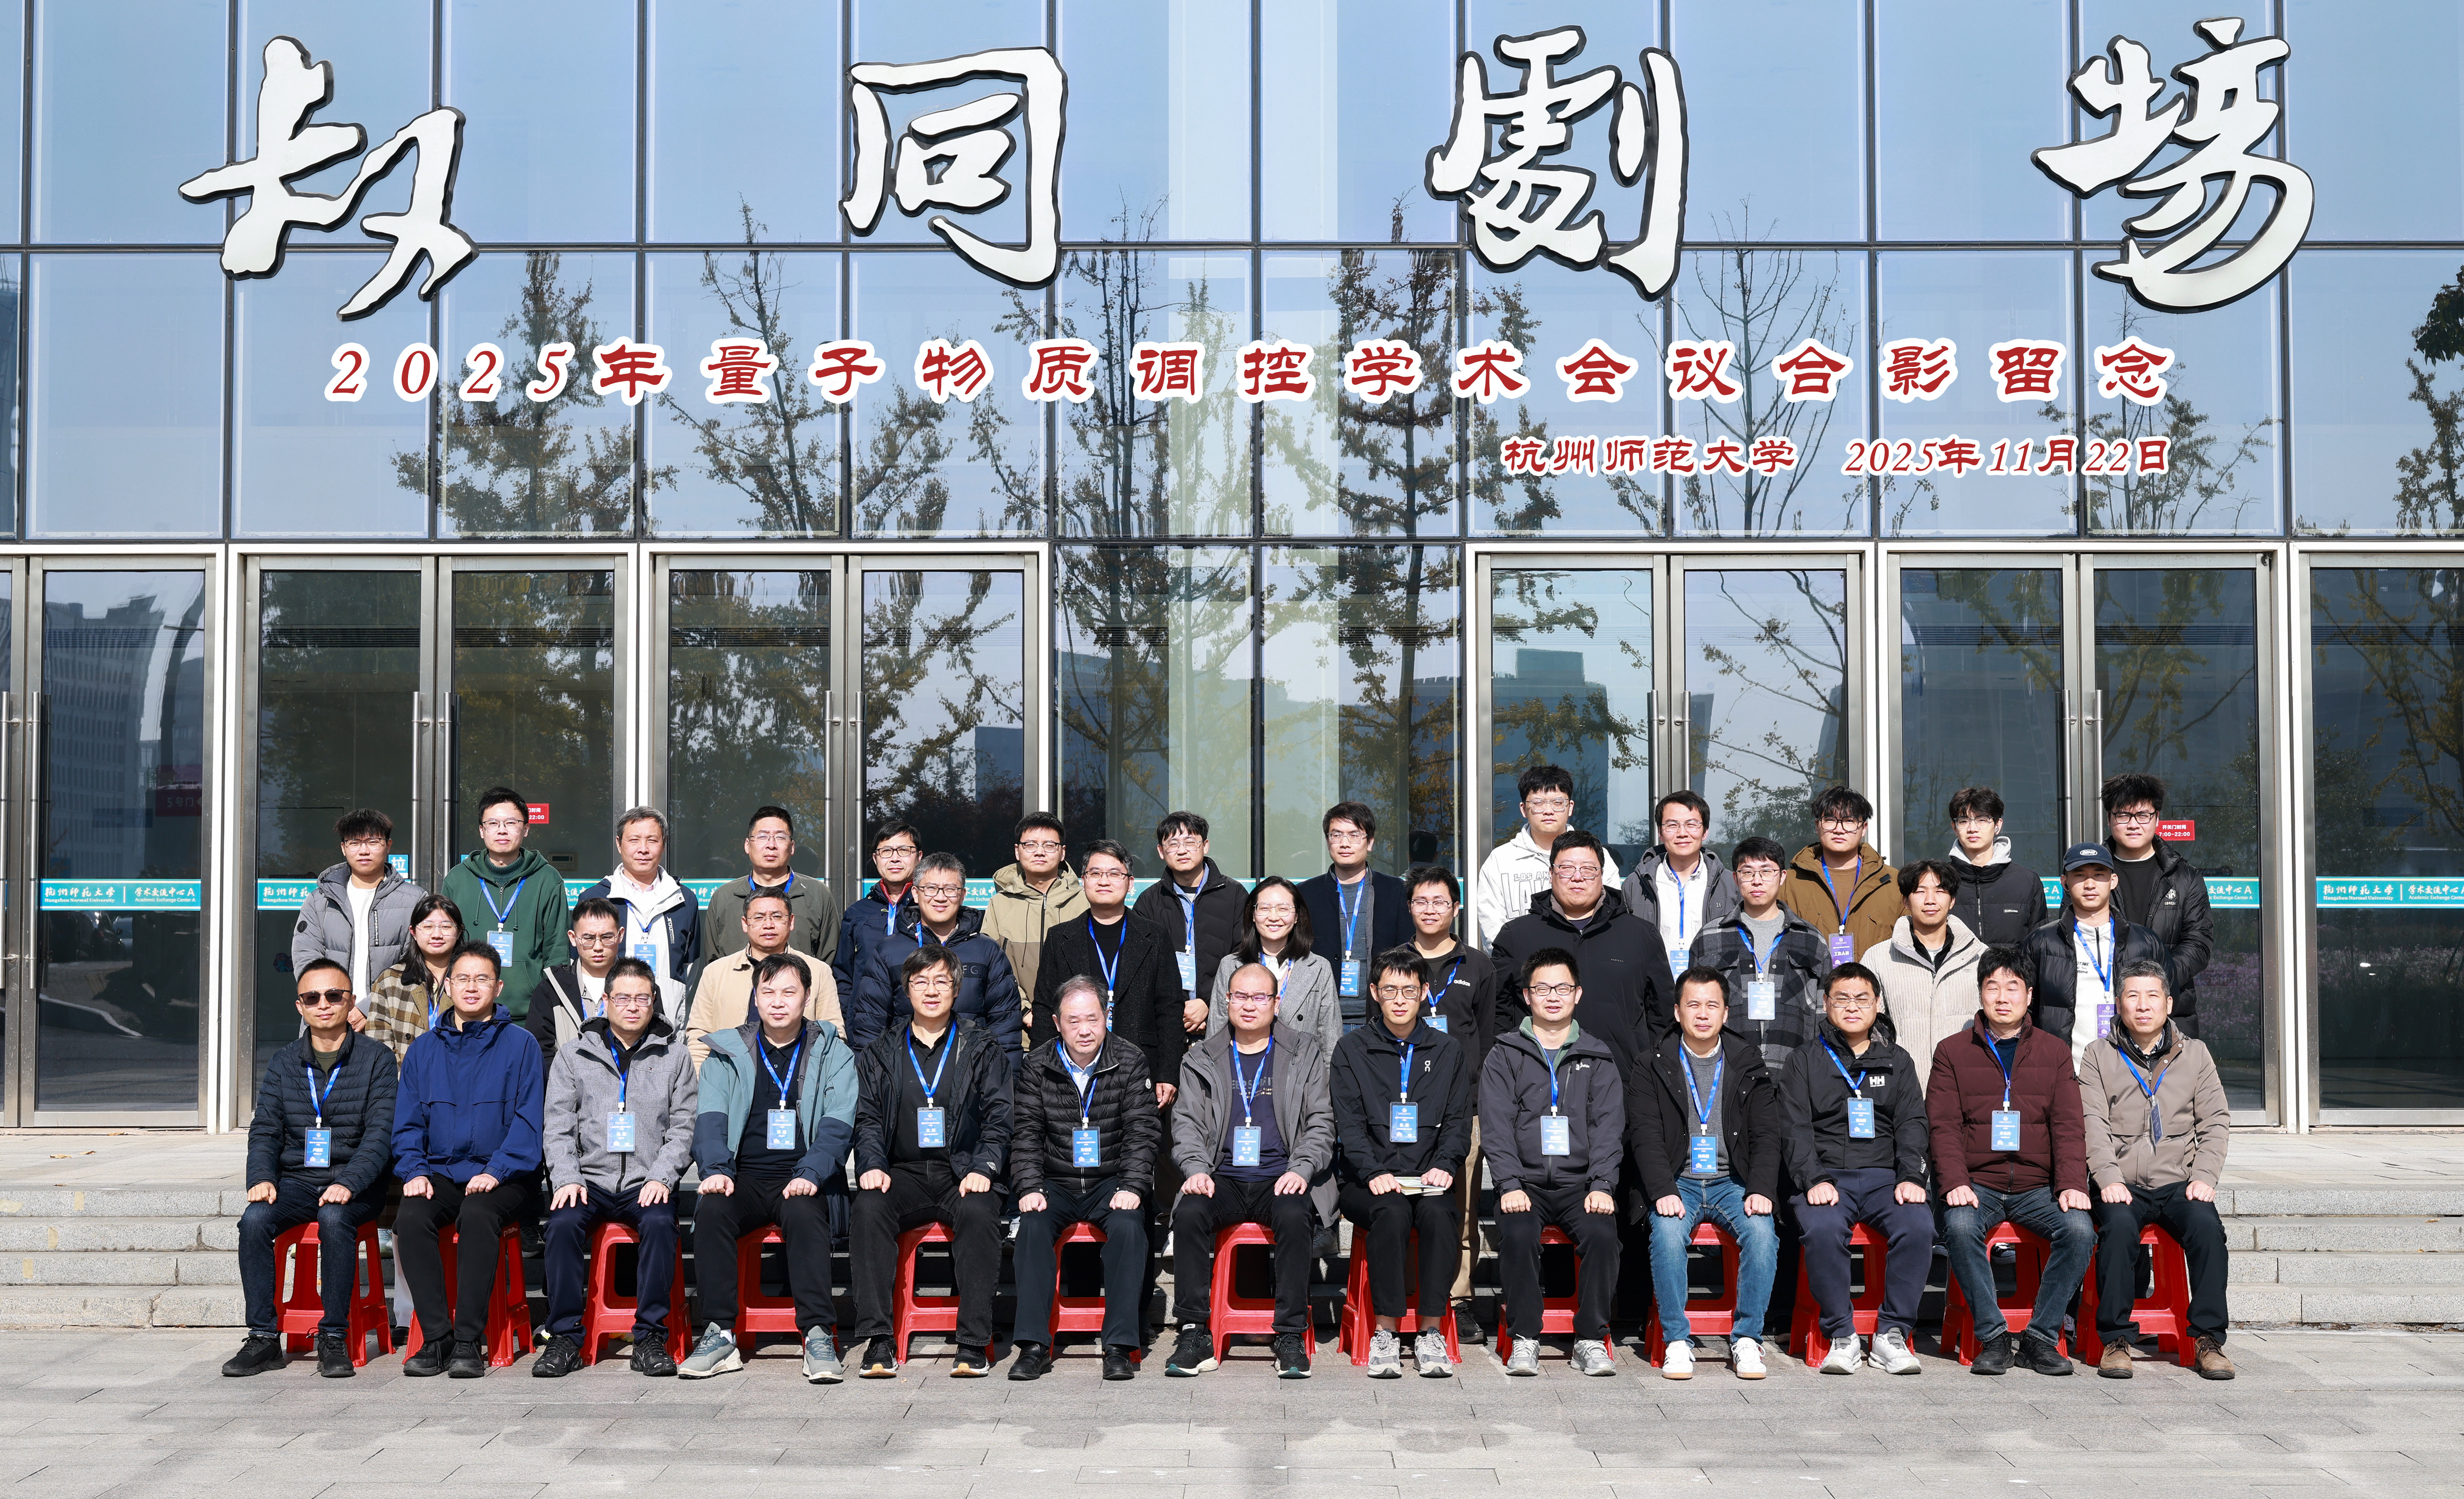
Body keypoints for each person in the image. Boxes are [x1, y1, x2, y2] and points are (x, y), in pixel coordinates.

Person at [683, 953, 859, 1383]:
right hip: (742, 1177)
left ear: (807, 997)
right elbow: (710, 1119)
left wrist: (811, 1172)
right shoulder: (727, 1052)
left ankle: (818, 1333)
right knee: (712, 1210)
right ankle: (719, 1333)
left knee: (804, 1213)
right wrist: (716, 1169)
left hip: (804, 1178)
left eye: (789, 992)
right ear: (756, 998)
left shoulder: (832, 1051)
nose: (778, 1001)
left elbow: (839, 1123)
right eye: (769, 992)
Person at [226, 959, 397, 1379]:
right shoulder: (284, 1061)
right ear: (300, 1006)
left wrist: (350, 1182)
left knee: (335, 1217)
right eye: (312, 997)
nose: (324, 1004)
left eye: (334, 995)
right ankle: (263, 1337)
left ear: (350, 1002)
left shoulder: (377, 1058)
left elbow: (381, 1135)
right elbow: (265, 1129)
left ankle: (333, 1336)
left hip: (358, 1183)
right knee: (255, 1220)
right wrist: (261, 1177)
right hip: (299, 1181)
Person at [1164, 963, 1336, 1380]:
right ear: (1227, 1000)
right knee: (1189, 1212)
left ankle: (1290, 1334)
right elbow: (1185, 1123)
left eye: (1260, 997)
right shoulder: (1201, 1057)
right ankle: (1193, 1330)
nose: (1249, 1005)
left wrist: (1302, 1168)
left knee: (1295, 1215)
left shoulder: (1304, 1052)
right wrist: (1195, 1168)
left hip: (1282, 1174)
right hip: (1220, 1175)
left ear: (1277, 1003)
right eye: (1240, 996)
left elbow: (1321, 1122)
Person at [850, 945, 1016, 1378]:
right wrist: (871, 1163)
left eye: (942, 981)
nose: (931, 990)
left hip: (961, 1171)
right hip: (901, 1171)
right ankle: (878, 1339)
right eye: (920, 981)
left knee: (980, 1212)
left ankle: (973, 1342)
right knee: (868, 1207)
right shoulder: (882, 1050)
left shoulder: (982, 1047)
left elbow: (1000, 1116)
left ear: (957, 990)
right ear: (905, 990)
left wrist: (984, 1166)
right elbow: (867, 1117)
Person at [1929, 947, 2096, 1377]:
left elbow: (2068, 1126)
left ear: (2029, 995)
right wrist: (1954, 1181)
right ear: (1980, 993)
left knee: (2080, 1230)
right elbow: (1943, 1126)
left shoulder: (2054, 1051)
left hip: (2037, 1186)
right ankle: (1994, 1337)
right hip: (1977, 1183)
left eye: (2013, 987)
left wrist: (2071, 1183)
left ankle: (2041, 1337)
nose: (2002, 997)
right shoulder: (1952, 1051)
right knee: (1960, 1226)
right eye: (1993, 987)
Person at [534, 959, 697, 1379]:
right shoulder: (574, 1055)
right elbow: (557, 1125)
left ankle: (650, 1337)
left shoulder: (675, 1056)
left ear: (654, 1001)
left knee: (661, 1223)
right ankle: (565, 1336)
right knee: (562, 1224)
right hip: (589, 1180)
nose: (632, 1006)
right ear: (605, 1001)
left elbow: (684, 1127)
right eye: (623, 998)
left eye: (642, 998)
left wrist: (663, 1176)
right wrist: (567, 1177)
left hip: (646, 1181)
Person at [391, 942, 544, 1379]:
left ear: (498, 986)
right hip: (441, 1171)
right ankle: (437, 1336)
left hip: (506, 1175)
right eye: (462, 978)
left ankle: (467, 1341)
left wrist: (496, 1170)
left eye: (482, 979)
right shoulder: (424, 1049)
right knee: (411, 1217)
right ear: (448, 986)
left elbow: (529, 1122)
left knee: (478, 1214)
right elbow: (407, 1123)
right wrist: (415, 1170)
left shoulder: (521, 1045)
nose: (472, 987)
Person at [2079, 959, 2235, 1380]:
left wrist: (2204, 1176)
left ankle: (2208, 1339)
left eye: (2152, 996)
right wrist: (2108, 1178)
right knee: (2117, 1230)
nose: (2143, 1005)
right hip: (2122, 1183)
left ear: (2168, 1003)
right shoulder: (2098, 1055)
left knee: (2208, 1230)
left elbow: (2215, 1120)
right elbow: (2092, 1123)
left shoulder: (2195, 1054)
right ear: (2119, 1004)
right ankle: (2115, 1339)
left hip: (2177, 1181)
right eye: (2133, 996)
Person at [1777, 965, 1930, 1376]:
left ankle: (1891, 1334)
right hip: (1827, 1177)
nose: (1852, 1007)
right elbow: (1793, 1127)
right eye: (1842, 998)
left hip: (1884, 1178)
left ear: (1877, 1004)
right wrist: (1813, 1178)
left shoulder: (1898, 1060)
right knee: (1824, 1229)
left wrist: (1911, 1177)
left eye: (1862, 998)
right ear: (1826, 1004)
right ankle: (1841, 1335)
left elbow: (1913, 1124)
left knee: (1918, 1226)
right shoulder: (1803, 1060)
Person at [1632, 969, 1783, 1381]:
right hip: (1677, 1179)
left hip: (1732, 1179)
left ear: (1726, 1012)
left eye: (1712, 1005)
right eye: (1693, 1005)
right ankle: (1677, 1340)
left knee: (1763, 1231)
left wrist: (1761, 1187)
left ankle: (1747, 1337)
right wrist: (1661, 1188)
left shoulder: (1747, 1061)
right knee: (1666, 1232)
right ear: (1677, 1011)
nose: (1703, 1014)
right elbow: (1644, 1133)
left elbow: (1767, 1134)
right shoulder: (1651, 1063)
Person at [1007, 977, 1158, 1382]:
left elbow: (1143, 1131)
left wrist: (1132, 1185)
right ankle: (1034, 1345)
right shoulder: (1037, 1064)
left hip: (1111, 1180)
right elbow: (1026, 1133)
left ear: (1107, 1017)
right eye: (1074, 1021)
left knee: (1129, 1226)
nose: (1085, 1030)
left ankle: (1119, 1345)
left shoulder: (1130, 1060)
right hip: (1056, 1180)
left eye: (1093, 1019)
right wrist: (1029, 1186)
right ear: (1057, 1023)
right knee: (1032, 1226)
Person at [1332, 948, 1472, 1378]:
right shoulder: (1351, 1049)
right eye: (1390, 989)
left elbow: (1458, 1121)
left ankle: (1430, 1330)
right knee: (1391, 1212)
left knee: (1439, 1213)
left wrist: (1445, 1163)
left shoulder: (1447, 1050)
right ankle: (1386, 1332)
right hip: (1366, 1181)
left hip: (1428, 1176)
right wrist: (1373, 1171)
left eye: (1409, 990)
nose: (1399, 999)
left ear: (1424, 992)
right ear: (1374, 992)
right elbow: (1349, 1126)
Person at [1482, 949, 1622, 1378]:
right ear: (1527, 996)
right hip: (1525, 1183)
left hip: (1581, 1185)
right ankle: (1525, 1336)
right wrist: (1509, 1184)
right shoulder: (1505, 1053)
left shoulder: (1597, 1055)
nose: (1553, 996)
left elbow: (1608, 1127)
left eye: (1563, 987)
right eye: (1542, 988)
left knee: (1604, 1237)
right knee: (1519, 1235)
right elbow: (1496, 1125)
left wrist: (1602, 1184)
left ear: (1578, 993)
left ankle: (1590, 1337)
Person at [1489, 830, 1676, 1078]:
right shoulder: (1516, 936)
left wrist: (1649, 1074)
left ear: (1602, 875)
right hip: (1535, 1082)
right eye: (1567, 868)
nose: (1577, 877)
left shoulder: (1641, 935)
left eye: (1588, 869)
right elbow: (1498, 1014)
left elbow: (1662, 1015)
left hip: (1623, 1079)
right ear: (1551, 874)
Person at [1402, 864, 1498, 1334]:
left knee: (1462, 1209)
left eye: (1440, 901)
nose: (1430, 909)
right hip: (1405, 1108)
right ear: (1409, 908)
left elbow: (1488, 1036)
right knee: (1405, 1204)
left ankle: (1459, 1300)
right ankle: (1406, 1293)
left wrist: (1480, 1101)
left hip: (1464, 1109)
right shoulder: (1395, 962)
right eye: (1421, 901)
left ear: (1456, 908)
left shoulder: (1477, 965)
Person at [1031, 840, 1186, 1103]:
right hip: (1074, 1067)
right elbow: (1046, 1008)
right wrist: (1041, 1073)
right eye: (1095, 873)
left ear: (1130, 883)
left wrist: (1168, 1073)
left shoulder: (1155, 936)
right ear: (1083, 881)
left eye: (1115, 874)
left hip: (1141, 1065)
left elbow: (1170, 1009)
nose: (1104, 881)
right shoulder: (1060, 938)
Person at [849, 853, 1022, 1059]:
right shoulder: (888, 951)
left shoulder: (987, 951)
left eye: (950, 889)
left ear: (963, 895)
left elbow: (1006, 1026)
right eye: (931, 889)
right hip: (904, 1070)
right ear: (915, 893)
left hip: (973, 1070)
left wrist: (1004, 1076)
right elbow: (869, 1025)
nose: (940, 898)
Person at [2024, 843, 2171, 1072]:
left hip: (2133, 1073)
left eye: (2099, 875)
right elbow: (2026, 1011)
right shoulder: (2042, 942)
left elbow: (2167, 1004)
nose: (2090, 884)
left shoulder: (2145, 942)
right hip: (2065, 1073)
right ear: (2065, 883)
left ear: (2113, 881)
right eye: (2080, 875)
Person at [1690, 836, 1832, 1070]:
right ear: (1736, 878)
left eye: (1767, 872)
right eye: (1748, 872)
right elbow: (1694, 1008)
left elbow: (1823, 1013)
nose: (1757, 881)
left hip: (1794, 1071)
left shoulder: (1811, 939)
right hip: (1726, 1071)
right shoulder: (1709, 937)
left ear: (1782, 877)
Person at [440, 786, 571, 1020]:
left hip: (529, 1015)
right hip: (467, 1010)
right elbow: (445, 947)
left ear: (526, 829)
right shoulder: (458, 879)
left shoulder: (547, 880)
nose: (502, 830)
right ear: (482, 831)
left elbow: (556, 951)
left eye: (511, 823)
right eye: (493, 823)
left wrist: (546, 1005)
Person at [2102, 774, 2216, 1040]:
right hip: (2106, 1006)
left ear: (2156, 818)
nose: (2133, 824)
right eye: (2123, 815)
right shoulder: (2090, 876)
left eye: (2143, 815)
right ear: (2109, 819)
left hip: (2171, 1010)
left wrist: (2155, 983)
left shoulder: (2185, 877)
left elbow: (2199, 943)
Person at [685, 889, 845, 1070]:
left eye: (777, 917)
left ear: (791, 921)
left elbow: (833, 1036)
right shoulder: (716, 972)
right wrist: (703, 1080)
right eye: (759, 918)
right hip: (730, 1078)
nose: (768, 925)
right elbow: (700, 1037)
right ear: (745, 924)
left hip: (798, 1077)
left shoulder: (818, 971)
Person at [526, 898, 686, 1077]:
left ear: (620, 935)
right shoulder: (551, 988)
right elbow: (541, 1052)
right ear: (573, 938)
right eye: (588, 938)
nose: (598, 947)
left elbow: (655, 1044)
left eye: (607, 937)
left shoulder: (643, 986)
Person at [290, 808, 424, 1018]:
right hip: (328, 1017)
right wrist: (334, 1006)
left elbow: (415, 963)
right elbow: (306, 958)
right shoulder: (320, 900)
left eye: (373, 842)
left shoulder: (414, 900)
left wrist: (367, 1008)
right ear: (344, 848)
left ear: (388, 845)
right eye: (354, 843)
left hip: (389, 1018)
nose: (364, 851)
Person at [1862, 859, 1985, 1084]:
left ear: (1952, 900)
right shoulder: (1878, 958)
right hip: (1903, 1087)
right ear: (1905, 901)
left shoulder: (1980, 956)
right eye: (1920, 891)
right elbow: (1869, 1028)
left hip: (1967, 1085)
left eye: (1940, 891)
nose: (1930, 900)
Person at [1475, 764, 1622, 948]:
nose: (1548, 811)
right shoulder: (1500, 861)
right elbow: (1492, 929)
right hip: (1521, 963)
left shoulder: (1597, 857)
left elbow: (1611, 916)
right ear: (1523, 809)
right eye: (1538, 803)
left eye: (1558, 803)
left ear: (1570, 807)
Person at [1130, 810, 1245, 1037]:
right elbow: (1142, 965)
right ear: (1161, 852)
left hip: (1224, 1021)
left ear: (1205, 846)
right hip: (1167, 1023)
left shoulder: (1234, 895)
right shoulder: (1149, 902)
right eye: (1173, 844)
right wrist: (1176, 1007)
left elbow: (1243, 955)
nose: (1182, 850)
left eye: (1190, 842)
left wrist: (1208, 1003)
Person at [1296, 801, 1408, 1032]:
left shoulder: (1396, 891)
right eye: (1336, 835)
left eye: (1354, 835)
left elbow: (1407, 954)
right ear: (1328, 841)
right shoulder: (1306, 894)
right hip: (1322, 1019)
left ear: (1370, 843)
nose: (1345, 843)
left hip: (1381, 1017)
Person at [1206, 876, 1341, 1054]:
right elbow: (1215, 1037)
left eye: (1283, 909)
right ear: (1253, 915)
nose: (1274, 917)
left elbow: (1330, 1042)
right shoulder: (1230, 966)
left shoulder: (1319, 968)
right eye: (1265, 908)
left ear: (1297, 916)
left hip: (1301, 1068)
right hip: (1242, 1067)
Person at [700, 805, 843, 965]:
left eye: (780, 837)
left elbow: (829, 962)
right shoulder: (724, 897)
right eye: (763, 837)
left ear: (792, 847)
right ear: (747, 845)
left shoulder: (817, 894)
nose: (771, 845)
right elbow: (713, 964)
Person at [576, 807, 700, 992]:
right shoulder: (595, 898)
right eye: (634, 840)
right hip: (611, 1006)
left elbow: (690, 967)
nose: (643, 849)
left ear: (664, 844)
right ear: (619, 844)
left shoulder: (684, 900)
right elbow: (581, 962)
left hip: (668, 1008)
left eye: (652, 840)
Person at [1779, 786, 1903, 968]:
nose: (1839, 829)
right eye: (1830, 820)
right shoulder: (1788, 882)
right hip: (1810, 985)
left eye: (1849, 821)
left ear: (1864, 828)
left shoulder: (1893, 882)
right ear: (1817, 826)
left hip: (1874, 984)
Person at [1620, 791, 1739, 979]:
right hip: (1653, 989)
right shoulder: (1636, 884)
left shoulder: (1730, 884)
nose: (1682, 833)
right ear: (1660, 833)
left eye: (1691, 824)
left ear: (1705, 831)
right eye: (1672, 825)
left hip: (1712, 990)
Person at [984, 811, 1086, 1015]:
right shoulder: (999, 904)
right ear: (1018, 851)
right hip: (1015, 1022)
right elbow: (991, 966)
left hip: (1076, 1023)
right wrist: (1023, 1010)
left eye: (1049, 845)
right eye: (1030, 845)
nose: (1040, 852)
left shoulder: (1085, 903)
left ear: (1062, 852)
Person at [364, 895, 465, 1060]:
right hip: (403, 1075)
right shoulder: (390, 981)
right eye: (428, 926)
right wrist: (404, 1075)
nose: (437, 934)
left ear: (459, 931)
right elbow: (378, 1044)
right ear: (414, 932)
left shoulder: (470, 982)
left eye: (446, 927)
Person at [1944, 787, 2047, 948]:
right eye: (1964, 821)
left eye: (1982, 820)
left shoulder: (2026, 882)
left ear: (1998, 825)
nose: (1973, 829)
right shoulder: (1940, 881)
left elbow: (2039, 948)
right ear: (1954, 828)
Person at [832, 820, 921, 1001]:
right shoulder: (857, 913)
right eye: (886, 851)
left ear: (919, 857)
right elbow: (843, 974)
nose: (895, 858)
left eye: (904, 850)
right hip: (866, 1015)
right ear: (875, 859)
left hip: (917, 1014)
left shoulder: (930, 908)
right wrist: (849, 1013)